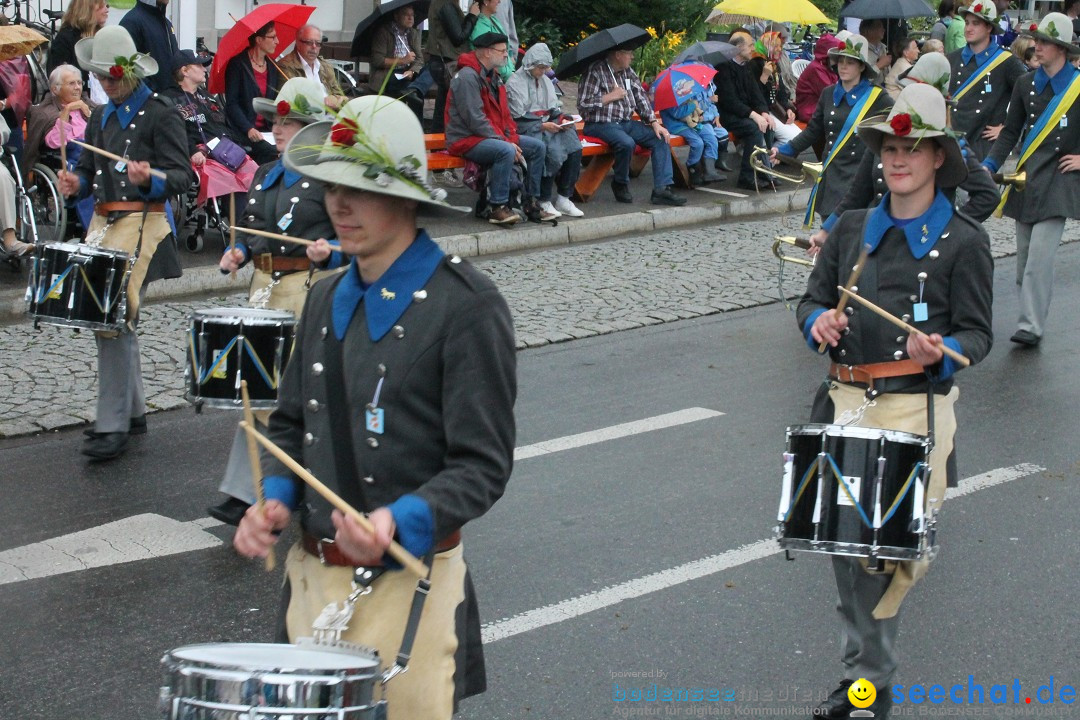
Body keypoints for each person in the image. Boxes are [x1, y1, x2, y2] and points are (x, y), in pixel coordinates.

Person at [232, 93, 516, 720]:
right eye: (332, 185)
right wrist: (274, 498)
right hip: (310, 582)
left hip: (409, 589)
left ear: (409, 195)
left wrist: (399, 520)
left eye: (361, 187)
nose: (339, 204)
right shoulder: (324, 294)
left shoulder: (465, 305)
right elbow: (289, 426)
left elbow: (483, 464)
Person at [797, 82, 993, 720]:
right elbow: (811, 300)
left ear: (938, 157)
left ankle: (866, 689)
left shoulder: (963, 240)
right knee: (845, 560)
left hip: (912, 409)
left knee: (878, 567)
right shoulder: (853, 228)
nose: (897, 159)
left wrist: (945, 349)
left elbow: (978, 334)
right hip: (842, 404)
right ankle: (866, 681)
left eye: (912, 148)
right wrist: (817, 323)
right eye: (888, 148)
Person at [55, 25, 194, 461]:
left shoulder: (161, 112)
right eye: (102, 77)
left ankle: (111, 422)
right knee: (117, 318)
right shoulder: (99, 116)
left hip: (146, 224)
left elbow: (182, 177)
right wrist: (75, 182)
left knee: (111, 316)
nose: (107, 85)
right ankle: (132, 412)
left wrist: (149, 177)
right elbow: (89, 168)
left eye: (113, 78)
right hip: (106, 222)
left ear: (132, 74)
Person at [208, 77, 341, 526]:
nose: (277, 129)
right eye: (276, 121)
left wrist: (331, 252)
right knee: (256, 388)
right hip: (262, 289)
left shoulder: (328, 175)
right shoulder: (268, 173)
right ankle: (249, 489)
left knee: (279, 395)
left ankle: (263, 489)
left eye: (287, 122)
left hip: (303, 290)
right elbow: (250, 225)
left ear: (308, 126)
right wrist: (239, 251)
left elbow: (350, 237)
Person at [812, 52, 1001, 251]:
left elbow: (988, 195)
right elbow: (857, 194)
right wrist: (826, 230)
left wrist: (946, 229)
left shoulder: (947, 144)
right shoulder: (887, 134)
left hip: (922, 246)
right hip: (877, 240)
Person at [983, 13, 1080, 347]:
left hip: (1061, 181)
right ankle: (1031, 319)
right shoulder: (1026, 84)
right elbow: (1011, 131)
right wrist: (990, 163)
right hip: (1027, 178)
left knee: (1039, 258)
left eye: (1044, 42)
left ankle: (1031, 325)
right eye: (1037, 41)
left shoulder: (1078, 86)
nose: (1037, 47)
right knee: (1024, 260)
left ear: (1062, 48)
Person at [772, 35, 893, 225]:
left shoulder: (878, 97)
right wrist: (784, 151)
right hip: (832, 173)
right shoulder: (828, 93)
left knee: (851, 235)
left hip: (859, 174)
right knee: (829, 236)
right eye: (840, 61)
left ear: (861, 66)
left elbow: (895, 127)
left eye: (850, 62)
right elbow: (813, 131)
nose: (843, 66)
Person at [445, 32, 555, 224]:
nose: (507, 55)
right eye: (502, 51)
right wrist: (506, 142)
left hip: (487, 135)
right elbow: (475, 120)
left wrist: (510, 136)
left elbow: (504, 116)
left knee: (538, 147)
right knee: (504, 151)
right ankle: (497, 206)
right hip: (466, 138)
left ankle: (531, 201)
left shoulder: (493, 76)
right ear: (488, 52)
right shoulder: (467, 77)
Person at [577, 41, 687, 205]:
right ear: (618, 55)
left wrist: (654, 122)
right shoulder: (595, 71)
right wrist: (610, 96)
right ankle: (620, 183)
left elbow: (640, 98)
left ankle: (662, 190)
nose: (632, 56)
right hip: (600, 124)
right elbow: (583, 105)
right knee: (626, 143)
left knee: (661, 138)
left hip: (625, 122)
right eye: (629, 53)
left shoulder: (627, 72)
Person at [165, 49, 260, 206]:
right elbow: (173, 132)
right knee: (234, 185)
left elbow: (226, 126)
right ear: (185, 71)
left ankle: (255, 223)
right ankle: (240, 228)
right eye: (199, 65)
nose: (204, 69)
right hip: (201, 156)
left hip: (227, 150)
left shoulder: (208, 97)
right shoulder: (169, 100)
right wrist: (192, 151)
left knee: (258, 177)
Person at [505, 43, 586, 217]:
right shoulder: (515, 82)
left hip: (549, 125)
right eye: (540, 68)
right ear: (530, 65)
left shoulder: (545, 81)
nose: (542, 72)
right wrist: (542, 125)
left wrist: (563, 119)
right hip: (527, 127)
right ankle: (544, 198)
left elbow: (553, 108)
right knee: (553, 152)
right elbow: (517, 116)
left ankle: (565, 197)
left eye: (545, 68)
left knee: (575, 146)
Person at [947, 2, 1026, 160]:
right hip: (951, 143)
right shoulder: (952, 58)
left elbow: (1031, 97)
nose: (968, 28)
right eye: (967, 23)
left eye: (975, 23)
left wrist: (1007, 129)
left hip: (983, 147)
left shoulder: (1006, 61)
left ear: (989, 27)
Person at [713, 29, 776, 191]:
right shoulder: (723, 68)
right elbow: (730, 101)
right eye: (750, 46)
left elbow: (756, 93)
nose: (753, 49)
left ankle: (765, 172)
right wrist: (754, 115)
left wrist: (763, 112)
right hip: (726, 115)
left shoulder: (746, 66)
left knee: (767, 124)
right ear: (739, 48)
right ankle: (747, 177)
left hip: (744, 113)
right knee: (754, 128)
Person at [224, 21, 283, 165]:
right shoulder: (238, 64)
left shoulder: (272, 66)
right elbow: (232, 104)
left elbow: (275, 101)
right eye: (272, 37)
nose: (277, 41)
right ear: (259, 40)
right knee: (270, 152)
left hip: (268, 130)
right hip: (245, 130)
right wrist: (248, 128)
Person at [658, 66, 726, 187]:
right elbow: (678, 113)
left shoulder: (683, 92)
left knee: (710, 138)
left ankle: (709, 171)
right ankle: (692, 168)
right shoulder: (670, 96)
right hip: (677, 126)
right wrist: (694, 105)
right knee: (698, 142)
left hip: (689, 123)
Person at [367, 4, 435, 116]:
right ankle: (416, 125)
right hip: (388, 74)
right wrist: (402, 60)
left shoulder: (412, 33)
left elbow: (419, 59)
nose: (410, 18)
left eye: (412, 15)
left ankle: (414, 89)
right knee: (414, 93)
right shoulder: (384, 32)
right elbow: (377, 60)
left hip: (407, 72)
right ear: (396, 16)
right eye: (406, 15)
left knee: (432, 68)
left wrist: (412, 71)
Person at [24, 64, 91, 177]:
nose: (77, 87)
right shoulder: (45, 113)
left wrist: (89, 114)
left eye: (79, 83)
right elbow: (55, 142)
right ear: (55, 89)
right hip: (71, 161)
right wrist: (67, 110)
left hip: (94, 156)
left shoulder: (89, 105)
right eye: (71, 83)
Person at [426, 0, 479, 134]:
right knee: (448, 108)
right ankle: (439, 146)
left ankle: (437, 146)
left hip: (442, 62)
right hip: (447, 63)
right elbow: (458, 37)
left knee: (442, 106)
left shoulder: (445, 4)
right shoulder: (445, 5)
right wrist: (472, 16)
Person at [46, 0, 109, 102]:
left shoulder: (101, 36)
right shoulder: (65, 39)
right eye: (102, 6)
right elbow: (58, 80)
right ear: (87, 9)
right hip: (76, 103)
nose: (107, 8)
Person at [277, 24, 348, 111]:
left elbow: (341, 96)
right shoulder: (286, 66)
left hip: (330, 117)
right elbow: (293, 100)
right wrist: (324, 102)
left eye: (318, 43)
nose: (314, 47)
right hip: (304, 120)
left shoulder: (326, 66)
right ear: (298, 43)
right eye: (309, 42)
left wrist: (336, 99)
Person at [748, 32, 801, 145]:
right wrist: (764, 76)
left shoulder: (773, 64)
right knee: (791, 139)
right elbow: (754, 95)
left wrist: (788, 108)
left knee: (799, 136)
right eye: (775, 46)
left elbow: (780, 91)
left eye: (780, 46)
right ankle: (768, 159)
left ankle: (774, 158)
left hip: (775, 109)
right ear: (766, 46)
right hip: (762, 110)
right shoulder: (753, 64)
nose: (779, 49)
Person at [118, 0, 179, 94]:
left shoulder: (166, 23)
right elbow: (125, 67)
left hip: (170, 100)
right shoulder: (131, 21)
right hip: (149, 101)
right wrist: (150, 93)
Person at [795, 34, 842, 125]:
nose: (838, 59)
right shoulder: (816, 69)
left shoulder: (826, 67)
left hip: (821, 109)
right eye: (835, 55)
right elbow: (832, 95)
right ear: (826, 55)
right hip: (811, 112)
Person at [470, 0, 515, 82]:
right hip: (494, 80)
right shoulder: (480, 26)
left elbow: (504, 50)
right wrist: (510, 75)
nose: (500, 1)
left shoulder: (493, 19)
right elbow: (492, 58)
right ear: (486, 1)